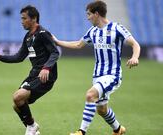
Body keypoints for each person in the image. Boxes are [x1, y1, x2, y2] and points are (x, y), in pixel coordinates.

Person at [52, 1, 140, 135]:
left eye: (89, 14)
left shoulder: (117, 28)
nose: (87, 18)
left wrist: (135, 57)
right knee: (102, 110)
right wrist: (58, 42)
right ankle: (118, 129)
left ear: (96, 14)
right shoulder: (93, 31)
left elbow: (135, 44)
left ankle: (81, 132)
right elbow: (78, 44)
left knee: (90, 95)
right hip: (97, 75)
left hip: (112, 75)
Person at [0, 5, 59, 135]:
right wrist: (0, 57)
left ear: (34, 19)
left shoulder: (43, 34)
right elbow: (19, 57)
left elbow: (55, 53)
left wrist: (46, 68)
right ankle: (33, 129)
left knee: (17, 97)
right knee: (17, 105)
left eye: (24, 18)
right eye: (21, 18)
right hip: (34, 74)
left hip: (46, 75)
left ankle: (32, 127)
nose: (21, 21)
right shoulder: (28, 37)